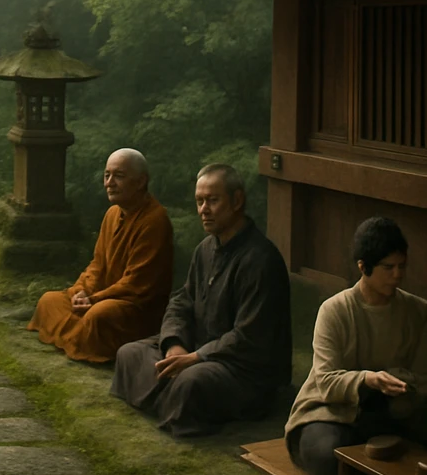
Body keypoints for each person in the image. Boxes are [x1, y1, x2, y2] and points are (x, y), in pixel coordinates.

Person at [110, 163, 292, 438]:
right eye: (199, 201)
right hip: (196, 349)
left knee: (190, 383)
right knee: (129, 354)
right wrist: (174, 345)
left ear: (237, 200)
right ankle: (172, 400)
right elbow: (181, 301)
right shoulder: (205, 249)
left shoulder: (261, 259)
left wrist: (196, 357)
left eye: (213, 200)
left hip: (243, 369)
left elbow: (249, 336)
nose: (203, 210)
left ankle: (170, 398)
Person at [285, 216, 427, 475]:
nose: (397, 275)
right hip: (331, 411)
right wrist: (367, 379)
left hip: (390, 410)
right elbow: (326, 381)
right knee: (327, 457)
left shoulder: (416, 310)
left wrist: (400, 383)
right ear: (363, 266)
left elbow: (424, 376)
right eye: (388, 267)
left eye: (402, 266)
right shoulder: (335, 310)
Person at [27, 148, 173, 363]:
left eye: (119, 176)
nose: (109, 183)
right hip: (100, 296)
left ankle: (81, 337)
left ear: (141, 181)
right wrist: (81, 291)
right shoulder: (113, 213)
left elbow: (136, 284)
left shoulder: (155, 220)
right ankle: (80, 337)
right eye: (107, 175)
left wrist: (94, 299)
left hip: (133, 308)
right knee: (49, 301)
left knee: (99, 315)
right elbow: (98, 264)